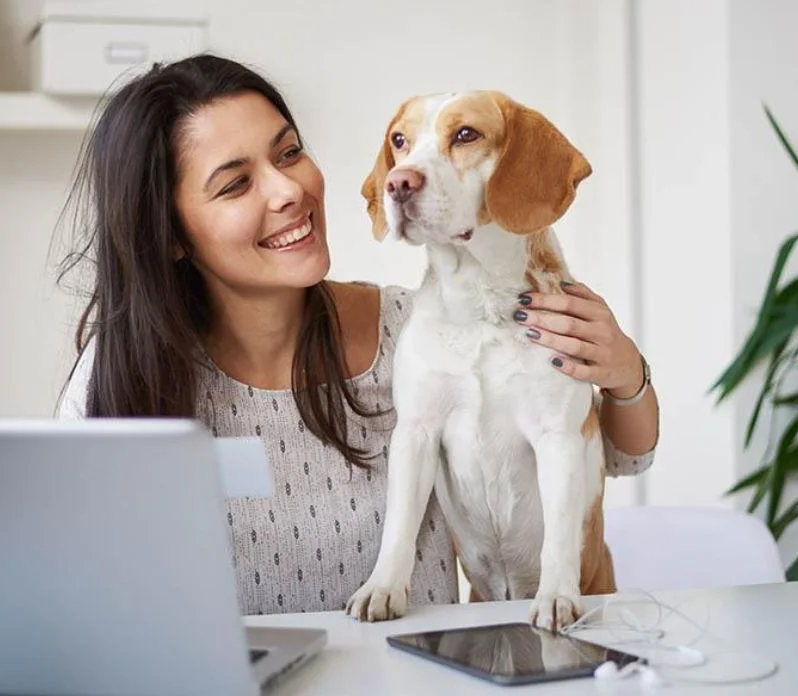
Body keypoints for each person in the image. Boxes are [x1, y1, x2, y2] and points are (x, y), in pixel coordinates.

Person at [55, 54, 660, 616]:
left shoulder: (417, 331)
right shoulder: (122, 378)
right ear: (172, 235)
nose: (288, 190)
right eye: (236, 184)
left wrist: (626, 373)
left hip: (421, 675)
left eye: (288, 153)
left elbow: (616, 458)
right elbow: (77, 589)